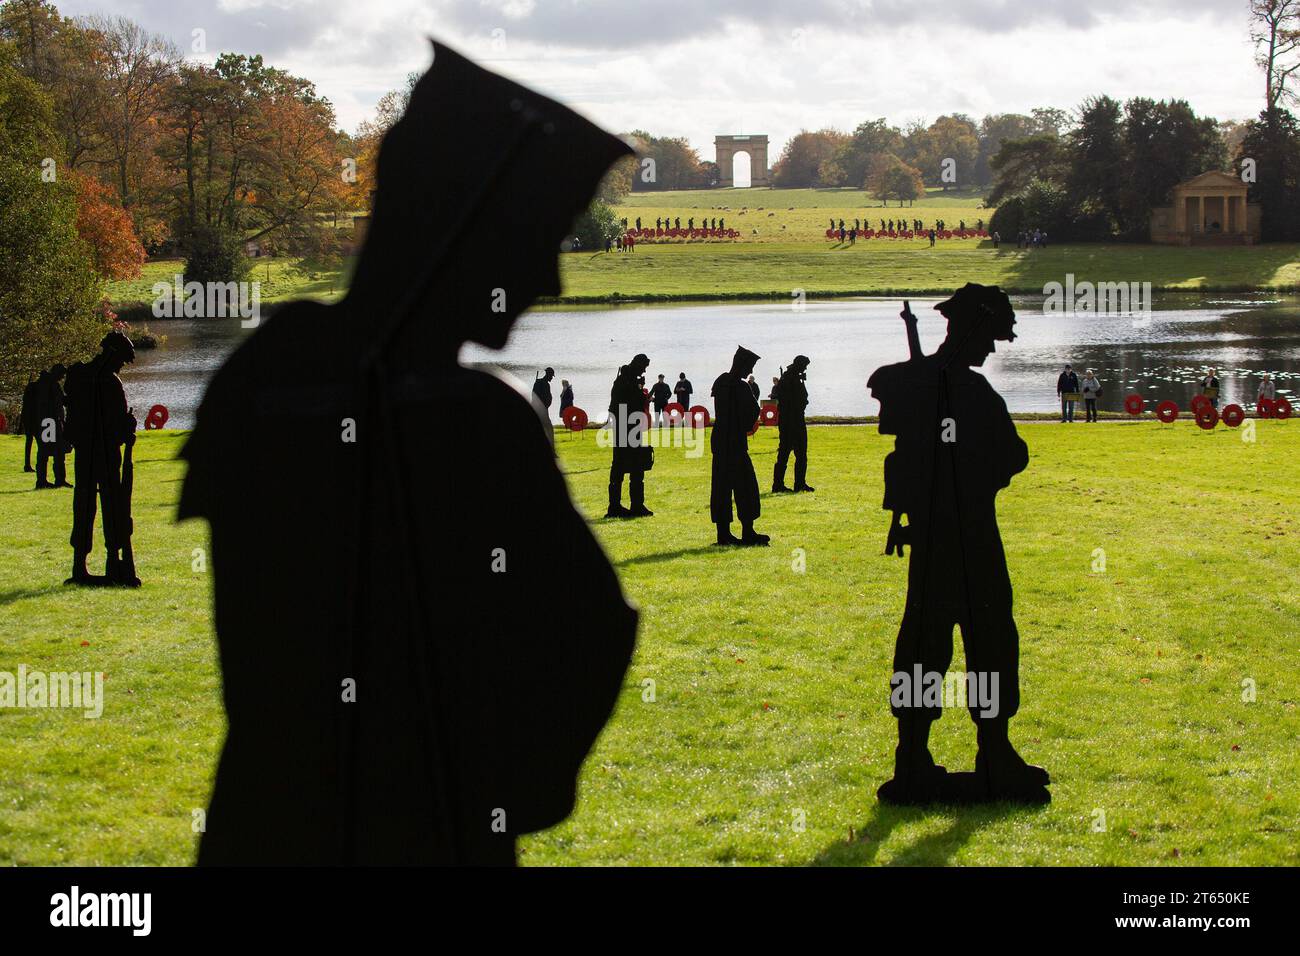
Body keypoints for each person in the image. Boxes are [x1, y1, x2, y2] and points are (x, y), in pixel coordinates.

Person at [176, 41, 636, 865]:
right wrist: (501, 786)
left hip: (271, 826)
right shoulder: (477, 419)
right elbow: (592, 629)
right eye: (535, 240)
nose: (549, 283)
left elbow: (265, 647)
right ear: (463, 228)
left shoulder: (269, 377)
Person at [868, 284, 1048, 805]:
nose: (990, 350)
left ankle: (916, 754)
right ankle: (990, 752)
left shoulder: (917, 383)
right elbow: (1013, 455)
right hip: (969, 534)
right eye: (988, 339)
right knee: (987, 640)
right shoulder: (969, 393)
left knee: (925, 644)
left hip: (932, 537)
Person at [65, 331, 139, 587]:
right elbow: (116, 424)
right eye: (120, 361)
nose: (120, 367)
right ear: (111, 354)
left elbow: (72, 417)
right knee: (109, 505)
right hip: (104, 455)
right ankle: (110, 561)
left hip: (88, 454)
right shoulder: (109, 383)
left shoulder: (78, 377)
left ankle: (86, 564)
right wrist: (128, 426)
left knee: (87, 504)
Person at [711, 346, 767, 546]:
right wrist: (743, 427)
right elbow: (753, 412)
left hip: (720, 441)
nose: (750, 371)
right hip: (734, 442)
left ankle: (723, 533)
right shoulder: (741, 387)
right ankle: (747, 531)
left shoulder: (721, 382)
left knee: (721, 487)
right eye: (749, 366)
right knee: (746, 486)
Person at [607, 353, 653, 518]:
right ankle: (628, 506)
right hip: (627, 427)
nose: (644, 371)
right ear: (638, 365)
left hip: (625, 427)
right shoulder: (628, 381)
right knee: (633, 467)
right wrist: (641, 392)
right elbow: (634, 403)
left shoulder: (624, 379)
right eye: (644, 368)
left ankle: (622, 506)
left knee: (625, 467)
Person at [772, 355, 813, 493]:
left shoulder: (792, 377)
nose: (806, 368)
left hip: (794, 419)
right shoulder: (790, 378)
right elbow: (790, 400)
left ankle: (799, 483)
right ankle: (779, 484)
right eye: (804, 365)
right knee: (785, 453)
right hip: (791, 421)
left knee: (800, 454)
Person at [33, 363, 71, 489]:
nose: (62, 377)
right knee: (48, 452)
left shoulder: (49, 384)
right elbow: (49, 404)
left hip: (50, 422)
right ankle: (44, 481)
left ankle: (57, 479)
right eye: (61, 375)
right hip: (49, 422)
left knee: (55, 452)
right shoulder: (49, 385)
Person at [21, 372, 39, 473]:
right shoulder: (35, 390)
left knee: (29, 441)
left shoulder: (29, 389)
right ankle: (28, 464)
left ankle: (27, 464)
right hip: (32, 419)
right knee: (35, 441)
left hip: (28, 418)